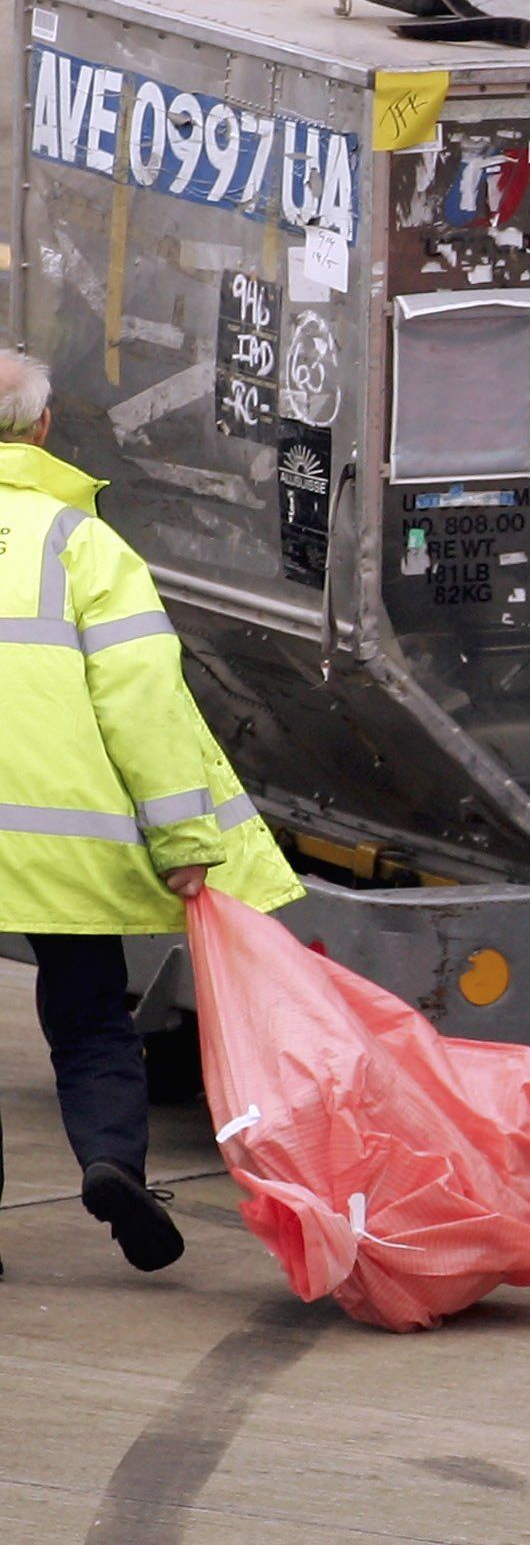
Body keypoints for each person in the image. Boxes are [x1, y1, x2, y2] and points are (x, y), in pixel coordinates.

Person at [0, 348, 301, 1275]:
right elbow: (148, 705)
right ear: (42, 428)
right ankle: (110, 1163)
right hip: (66, 845)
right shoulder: (79, 544)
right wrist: (184, 840)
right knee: (90, 1016)